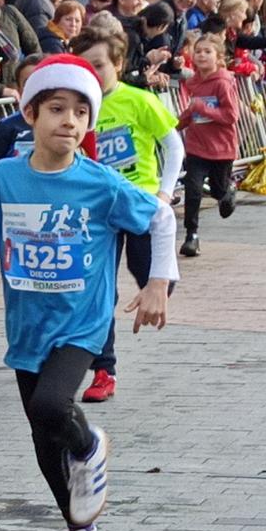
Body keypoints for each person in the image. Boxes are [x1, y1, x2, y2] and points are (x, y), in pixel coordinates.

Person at [0, 54, 175, 531]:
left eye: (81, 112)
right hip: (26, 328)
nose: (70, 121)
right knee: (44, 446)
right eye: (57, 109)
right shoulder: (5, 177)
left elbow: (160, 216)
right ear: (31, 115)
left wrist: (156, 283)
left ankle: (90, 446)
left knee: (51, 406)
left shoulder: (99, 183)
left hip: (81, 325)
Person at [77, 27, 181, 404]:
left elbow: (174, 145)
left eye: (99, 65)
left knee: (155, 279)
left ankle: (161, 286)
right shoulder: (76, 105)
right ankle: (104, 369)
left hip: (140, 203)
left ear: (118, 65)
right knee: (100, 291)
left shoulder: (139, 100)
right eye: (84, 66)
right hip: (96, 210)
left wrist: (165, 192)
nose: (92, 73)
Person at [175, 34, 238, 257]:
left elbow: (231, 115)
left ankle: (228, 191)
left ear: (219, 57)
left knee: (219, 189)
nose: (201, 55)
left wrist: (203, 109)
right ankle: (191, 235)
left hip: (221, 148)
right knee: (192, 189)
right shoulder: (193, 83)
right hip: (196, 146)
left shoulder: (222, 82)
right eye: (198, 50)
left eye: (207, 51)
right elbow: (192, 111)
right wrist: (175, 125)